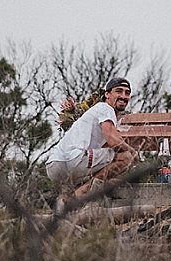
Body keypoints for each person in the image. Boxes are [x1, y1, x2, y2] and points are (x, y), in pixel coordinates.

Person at [46, 77, 138, 208]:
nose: (123, 96)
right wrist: (133, 152)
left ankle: (63, 201)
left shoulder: (92, 114)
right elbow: (113, 141)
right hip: (75, 159)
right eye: (119, 91)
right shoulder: (105, 108)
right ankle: (81, 194)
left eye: (127, 93)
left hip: (54, 165)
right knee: (126, 157)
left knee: (104, 164)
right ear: (107, 94)